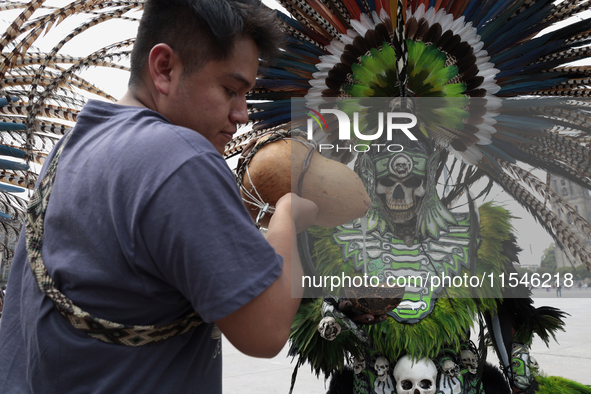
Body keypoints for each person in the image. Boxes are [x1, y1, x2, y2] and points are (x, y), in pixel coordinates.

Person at [0, 1, 318, 393]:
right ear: (164, 68)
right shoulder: (180, 158)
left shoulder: (68, 149)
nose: (242, 114)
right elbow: (266, 332)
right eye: (230, 90)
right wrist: (287, 214)